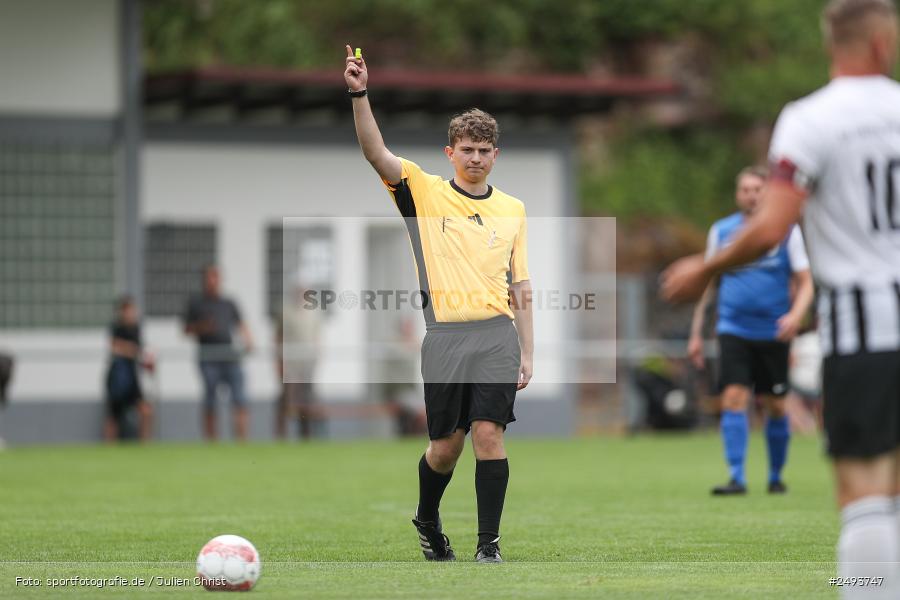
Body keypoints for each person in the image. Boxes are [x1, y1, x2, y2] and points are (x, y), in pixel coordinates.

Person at [662, 0, 900, 595]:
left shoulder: (810, 118)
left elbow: (771, 227)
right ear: (882, 43)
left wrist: (704, 267)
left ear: (831, 44)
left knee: (866, 491)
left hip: (863, 330)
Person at [345, 45, 533, 564]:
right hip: (445, 339)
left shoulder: (513, 209)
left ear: (495, 155)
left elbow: (521, 283)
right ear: (450, 152)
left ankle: (488, 545)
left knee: (489, 436)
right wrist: (360, 94)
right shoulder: (422, 192)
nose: (475, 158)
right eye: (467, 149)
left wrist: (529, 351)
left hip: (497, 336)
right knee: (447, 447)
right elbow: (375, 151)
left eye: (484, 150)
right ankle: (427, 519)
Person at [688, 166, 814, 495]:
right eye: (745, 190)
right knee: (733, 398)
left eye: (758, 190)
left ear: (767, 193)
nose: (751, 196)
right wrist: (696, 332)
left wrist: (795, 316)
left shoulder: (786, 232)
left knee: (776, 405)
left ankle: (775, 475)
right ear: (737, 194)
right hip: (733, 328)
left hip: (774, 333)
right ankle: (736, 477)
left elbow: (805, 282)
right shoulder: (722, 231)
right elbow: (709, 283)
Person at [184, 265, 255, 441]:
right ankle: (212, 441)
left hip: (229, 355)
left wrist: (248, 340)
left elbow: (241, 324)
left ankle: (242, 441)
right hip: (208, 356)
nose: (213, 281)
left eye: (216, 277)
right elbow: (186, 330)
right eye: (210, 277)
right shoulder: (196, 303)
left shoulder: (228, 303)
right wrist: (202, 327)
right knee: (210, 399)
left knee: (239, 398)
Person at [275, 278, 321, 440]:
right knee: (286, 401)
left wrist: (316, 359)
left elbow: (317, 338)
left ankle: (305, 437)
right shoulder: (285, 312)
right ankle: (281, 437)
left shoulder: (314, 313)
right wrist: (279, 362)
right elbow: (278, 338)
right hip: (290, 365)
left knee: (306, 401)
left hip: (307, 365)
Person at [104, 296, 155, 441]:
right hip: (118, 378)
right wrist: (131, 350)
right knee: (113, 416)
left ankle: (144, 443)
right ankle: (109, 447)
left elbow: (140, 352)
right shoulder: (116, 327)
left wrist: (146, 360)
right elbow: (115, 347)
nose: (131, 313)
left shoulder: (136, 329)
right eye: (128, 310)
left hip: (133, 377)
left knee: (146, 410)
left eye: (133, 310)